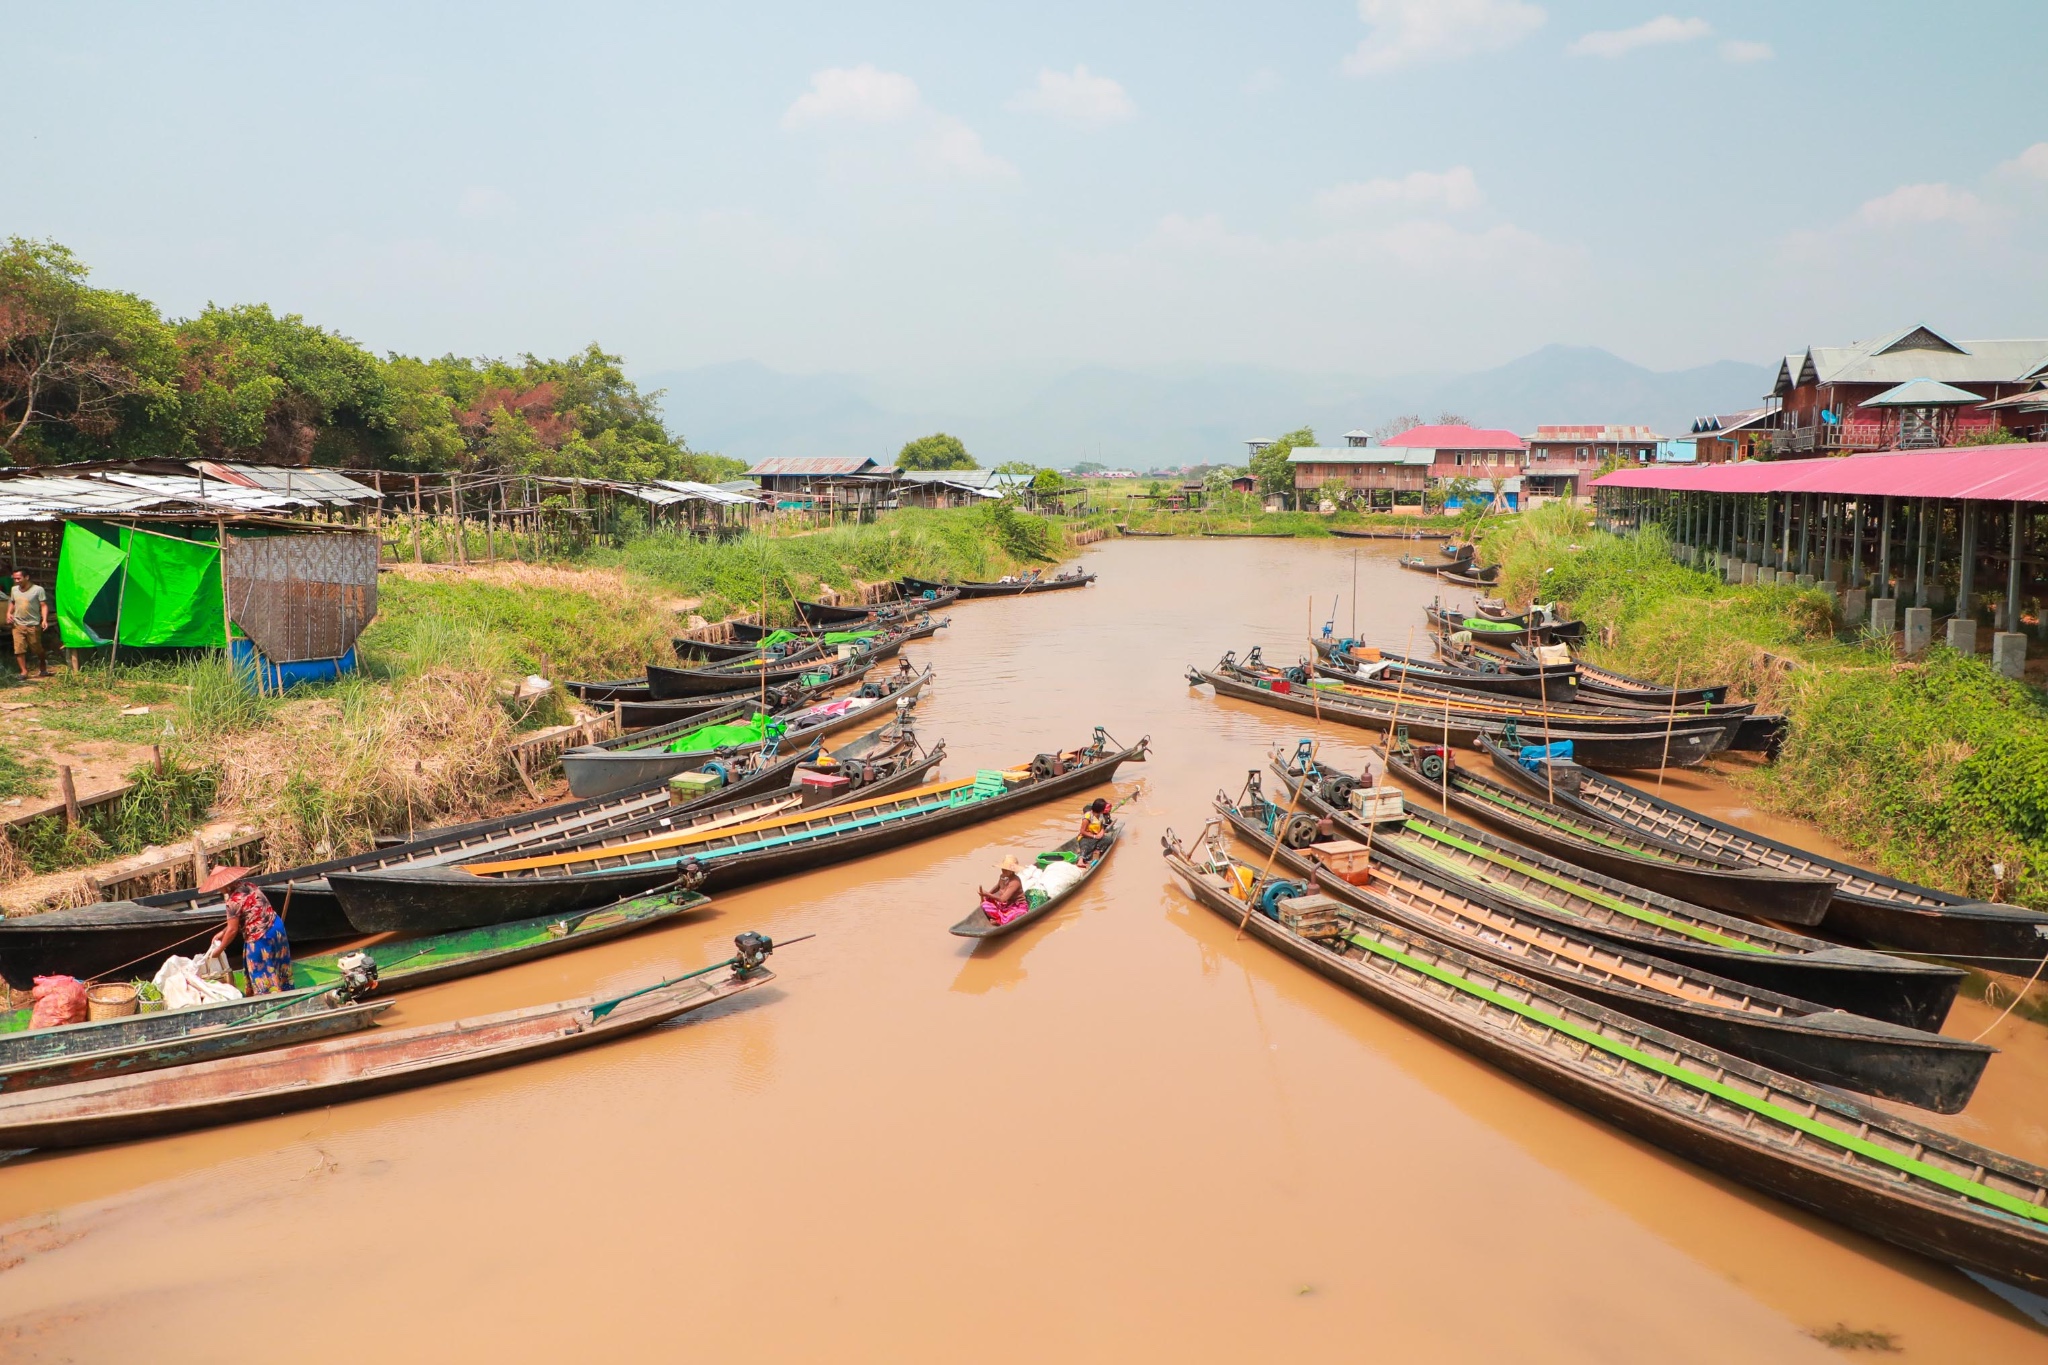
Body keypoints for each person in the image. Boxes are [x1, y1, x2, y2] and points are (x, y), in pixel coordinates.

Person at [209, 880, 294, 995]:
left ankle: (270, 1000)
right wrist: (222, 933)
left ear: (225, 885)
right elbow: (245, 916)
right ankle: (287, 993)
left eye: (219, 887)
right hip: (276, 928)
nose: (218, 890)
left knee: (261, 973)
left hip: (261, 937)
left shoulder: (233, 902)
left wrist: (219, 950)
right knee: (280, 966)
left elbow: (233, 930)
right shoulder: (249, 885)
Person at [9, 570, 51, 680]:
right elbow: (12, 602)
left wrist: (44, 620)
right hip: (17, 624)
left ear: (26, 577)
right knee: (19, 649)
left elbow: (43, 606)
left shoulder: (37, 590)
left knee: (37, 648)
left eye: (19, 578)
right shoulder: (14, 589)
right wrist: (9, 613)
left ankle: (43, 665)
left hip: (33, 625)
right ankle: (23, 672)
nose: (16, 581)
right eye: (14, 578)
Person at [977, 854, 1029, 927]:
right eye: (1002, 868)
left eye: (1005, 869)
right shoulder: (1002, 876)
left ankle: (999, 921)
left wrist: (987, 894)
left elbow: (1003, 899)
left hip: (1016, 906)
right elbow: (997, 887)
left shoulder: (1015, 882)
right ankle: (999, 917)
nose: (1002, 870)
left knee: (1014, 915)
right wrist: (987, 894)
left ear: (1011, 871)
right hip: (1005, 905)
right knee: (985, 904)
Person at [1076, 797, 1113, 863]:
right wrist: (1094, 836)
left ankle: (1096, 850)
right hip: (1086, 837)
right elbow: (1082, 831)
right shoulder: (1087, 817)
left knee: (1109, 839)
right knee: (1086, 845)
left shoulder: (1100, 816)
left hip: (1097, 837)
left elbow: (1102, 827)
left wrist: (1101, 834)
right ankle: (1080, 860)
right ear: (1101, 810)